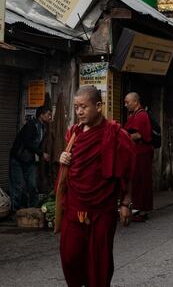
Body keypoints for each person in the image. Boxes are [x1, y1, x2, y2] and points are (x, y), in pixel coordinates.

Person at [59, 85, 133, 287]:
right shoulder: (73, 134)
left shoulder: (115, 134)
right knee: (69, 256)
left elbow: (127, 172)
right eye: (76, 107)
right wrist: (64, 157)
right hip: (75, 206)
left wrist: (126, 202)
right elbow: (70, 167)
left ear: (98, 106)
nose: (79, 112)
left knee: (99, 261)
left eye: (84, 107)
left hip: (102, 209)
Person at [9, 105, 52, 211]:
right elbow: (27, 142)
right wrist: (42, 154)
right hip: (17, 159)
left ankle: (34, 209)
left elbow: (39, 144)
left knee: (33, 185)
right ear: (41, 115)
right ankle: (16, 212)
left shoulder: (43, 128)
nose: (50, 117)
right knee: (18, 186)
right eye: (49, 115)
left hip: (29, 160)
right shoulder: (31, 125)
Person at [123, 92, 153, 221]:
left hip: (141, 153)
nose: (125, 105)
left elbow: (140, 135)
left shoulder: (141, 115)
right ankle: (136, 209)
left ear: (135, 102)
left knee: (141, 181)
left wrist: (123, 137)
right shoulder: (134, 115)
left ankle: (141, 211)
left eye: (127, 102)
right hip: (136, 153)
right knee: (135, 181)